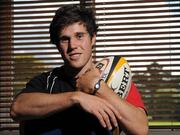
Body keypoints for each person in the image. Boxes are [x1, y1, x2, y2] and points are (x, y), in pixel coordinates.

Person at [10, 4, 148, 135]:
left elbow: (140, 130)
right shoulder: (47, 81)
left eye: (79, 36)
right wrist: (76, 97)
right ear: (58, 46)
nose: (73, 45)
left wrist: (98, 86)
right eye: (65, 39)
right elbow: (17, 109)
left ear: (93, 38)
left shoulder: (114, 77)